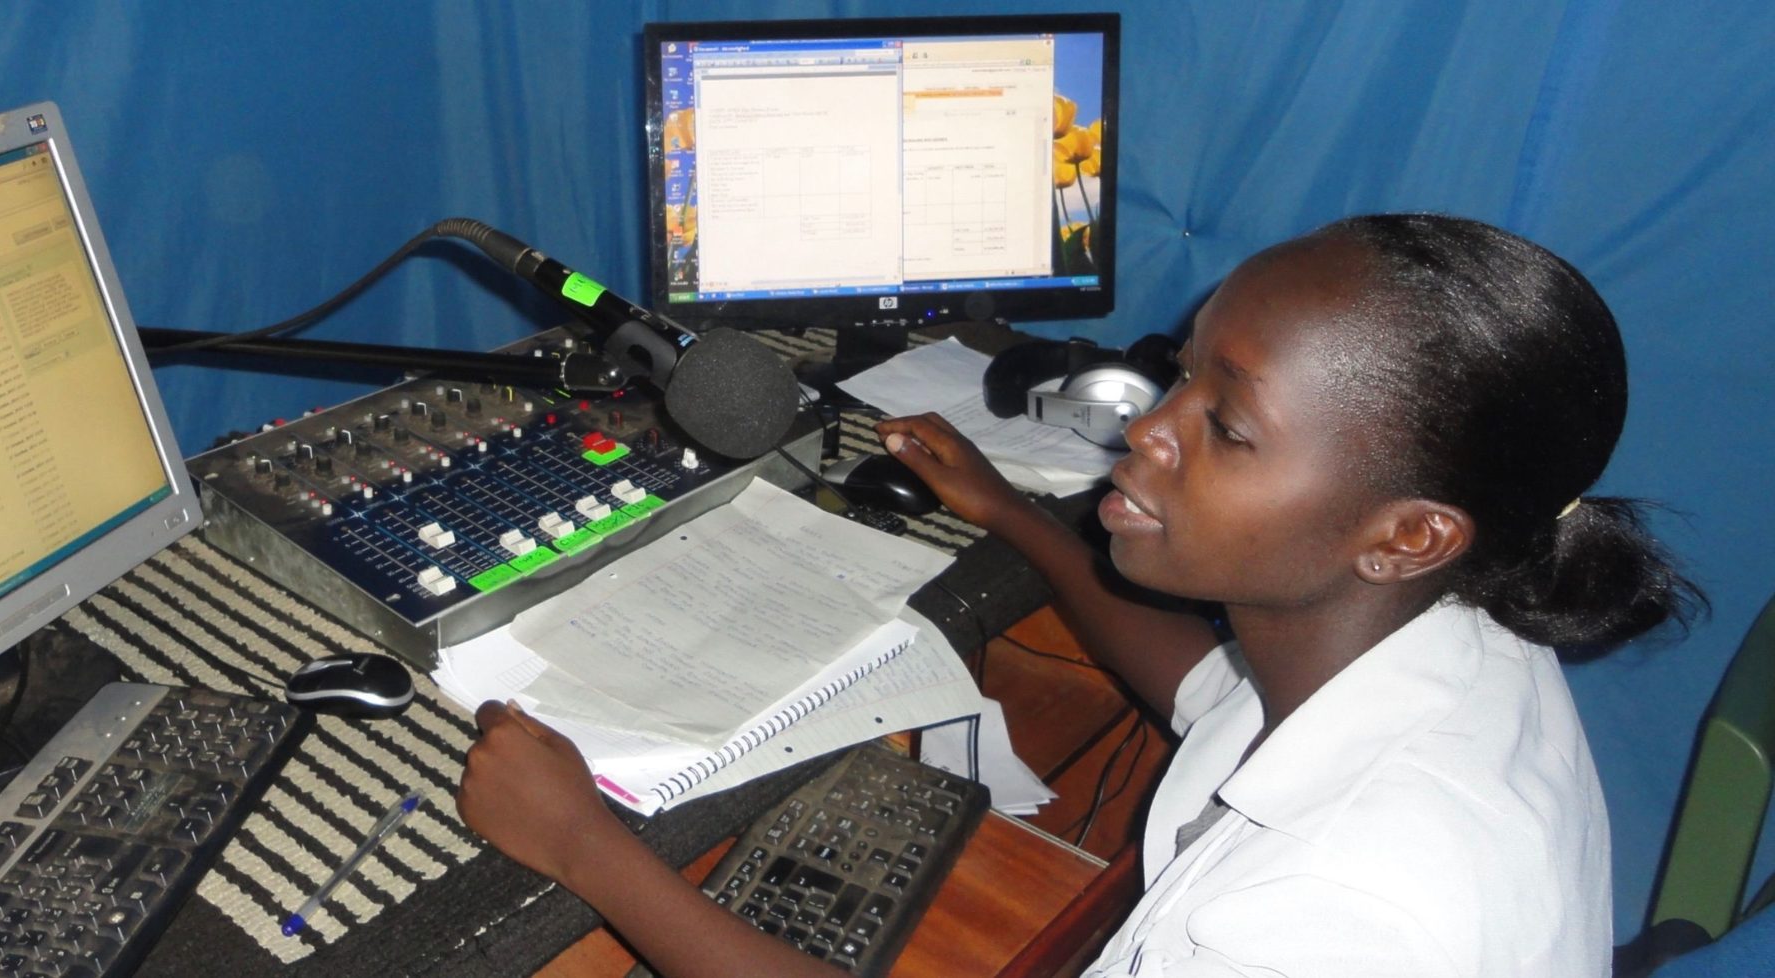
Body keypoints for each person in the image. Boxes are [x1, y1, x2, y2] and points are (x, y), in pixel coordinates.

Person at [455, 213, 1703, 977]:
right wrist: (1013, 516)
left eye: (1230, 427)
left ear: (1407, 533)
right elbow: (1208, 692)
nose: (1149, 429)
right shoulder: (1456, 623)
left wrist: (585, 846)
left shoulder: (1345, 913)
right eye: (1184, 370)